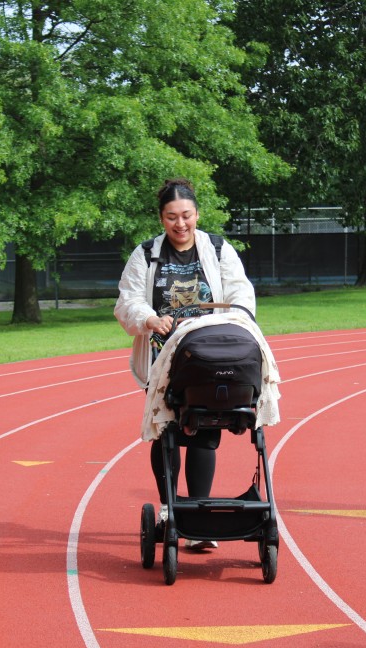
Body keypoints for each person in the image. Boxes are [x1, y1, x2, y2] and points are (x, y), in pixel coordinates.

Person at [114, 178, 256, 549]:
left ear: (197, 214)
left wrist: (237, 319)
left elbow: (240, 290)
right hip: (163, 358)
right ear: (161, 218)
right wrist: (148, 318)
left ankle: (198, 514)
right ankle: (170, 508)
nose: (181, 224)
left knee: (205, 429)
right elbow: (127, 300)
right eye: (172, 217)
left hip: (210, 354)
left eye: (187, 215)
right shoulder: (146, 254)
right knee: (168, 430)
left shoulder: (218, 249)